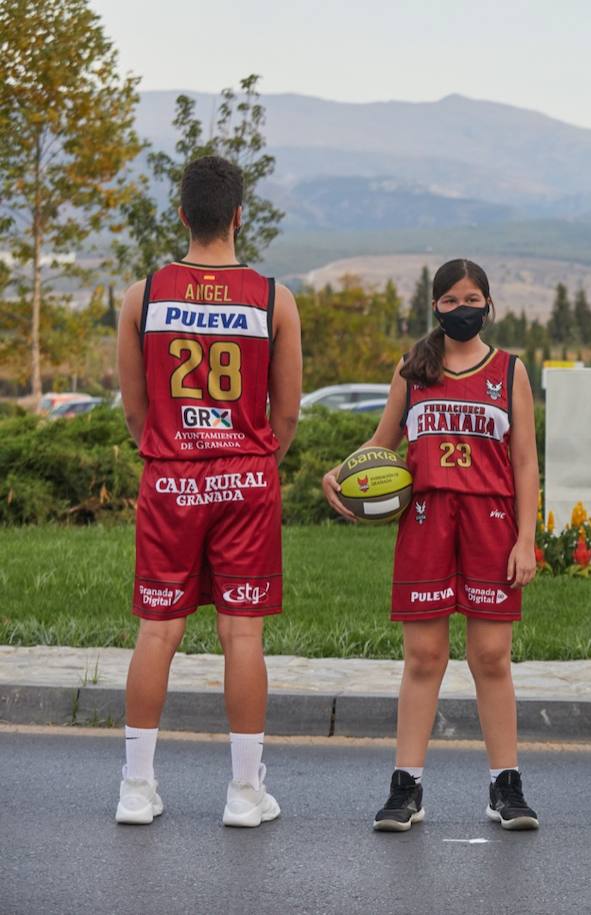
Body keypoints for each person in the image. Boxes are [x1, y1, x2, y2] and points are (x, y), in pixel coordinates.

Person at [114, 155, 303, 827]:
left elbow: (135, 410)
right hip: (247, 476)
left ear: (182, 214)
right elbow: (286, 414)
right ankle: (244, 793)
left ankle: (136, 787)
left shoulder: (144, 295)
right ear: (240, 215)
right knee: (240, 633)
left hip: (170, 476)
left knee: (157, 630)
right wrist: (251, 459)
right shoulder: (274, 296)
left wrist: (172, 451)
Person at [323, 258, 540, 832]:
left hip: (491, 523)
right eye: (450, 300)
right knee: (424, 658)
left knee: (491, 657)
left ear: (489, 306)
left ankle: (505, 785)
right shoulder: (412, 369)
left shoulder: (509, 371)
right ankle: (407, 787)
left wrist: (526, 539)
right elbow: (379, 445)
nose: (461, 308)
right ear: (435, 307)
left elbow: (525, 463)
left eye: (471, 299)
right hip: (426, 520)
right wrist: (339, 475)